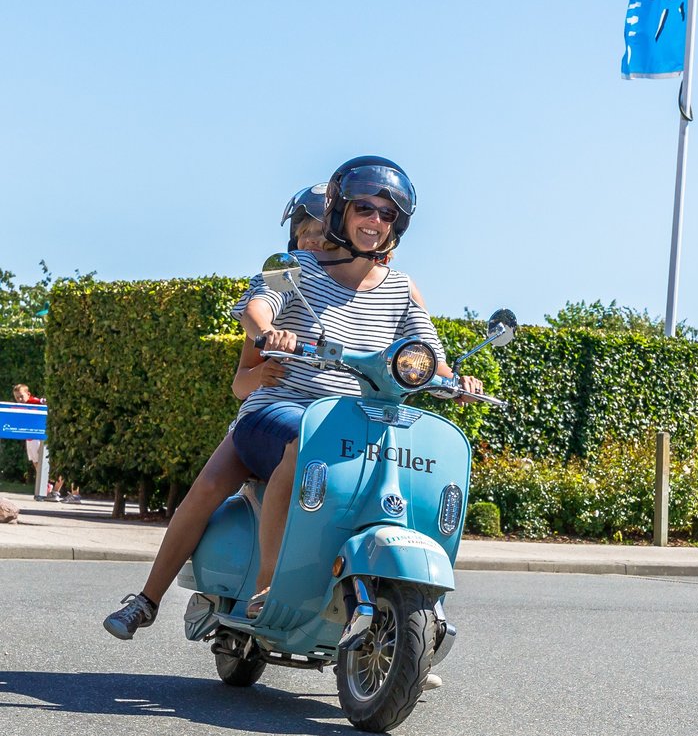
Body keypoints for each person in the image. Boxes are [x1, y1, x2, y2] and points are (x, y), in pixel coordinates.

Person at [229, 156, 479, 618]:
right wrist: (270, 332)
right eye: (365, 207)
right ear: (342, 211)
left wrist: (453, 380)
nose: (375, 221)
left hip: (359, 414)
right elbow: (256, 307)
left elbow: (429, 353)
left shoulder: (400, 288)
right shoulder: (300, 266)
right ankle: (269, 583)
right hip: (284, 406)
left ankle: (407, 615)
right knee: (303, 443)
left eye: (388, 214)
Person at [103, 182, 336, 640]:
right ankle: (147, 599)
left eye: (322, 233)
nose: (312, 241)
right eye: (305, 232)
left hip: (335, 423)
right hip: (271, 415)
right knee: (205, 490)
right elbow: (240, 382)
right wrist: (267, 362)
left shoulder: (369, 291)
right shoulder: (287, 281)